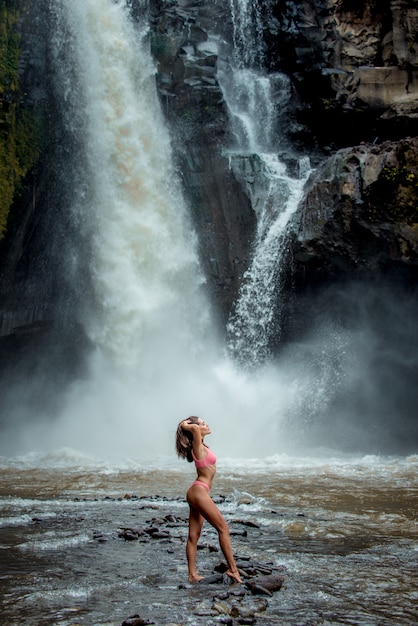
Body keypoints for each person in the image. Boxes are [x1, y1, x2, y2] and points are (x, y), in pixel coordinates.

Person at [175, 415, 242, 584]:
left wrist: (189, 426)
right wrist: (186, 424)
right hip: (198, 492)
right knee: (223, 528)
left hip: (198, 491)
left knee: (193, 535)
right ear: (195, 429)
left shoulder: (201, 445)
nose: (207, 424)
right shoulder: (197, 444)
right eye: (203, 423)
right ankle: (233, 570)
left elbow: (196, 429)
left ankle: (192, 575)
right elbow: (194, 428)